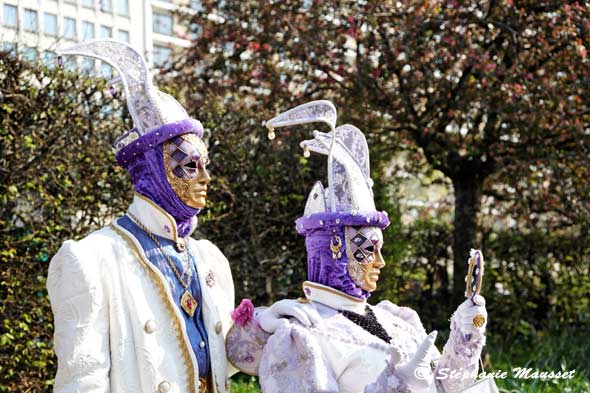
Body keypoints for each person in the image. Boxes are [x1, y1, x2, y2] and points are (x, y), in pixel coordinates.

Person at [47, 40, 318, 393]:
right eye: (189, 165)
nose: (205, 178)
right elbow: (81, 383)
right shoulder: (91, 260)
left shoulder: (208, 259)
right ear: (151, 170)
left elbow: (220, 364)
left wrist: (264, 326)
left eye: (205, 165)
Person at [226, 100, 489, 393]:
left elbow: (448, 385)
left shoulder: (398, 319)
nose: (380, 262)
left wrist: (467, 331)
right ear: (333, 250)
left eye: (380, 249)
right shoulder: (306, 333)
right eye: (367, 250)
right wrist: (393, 386)